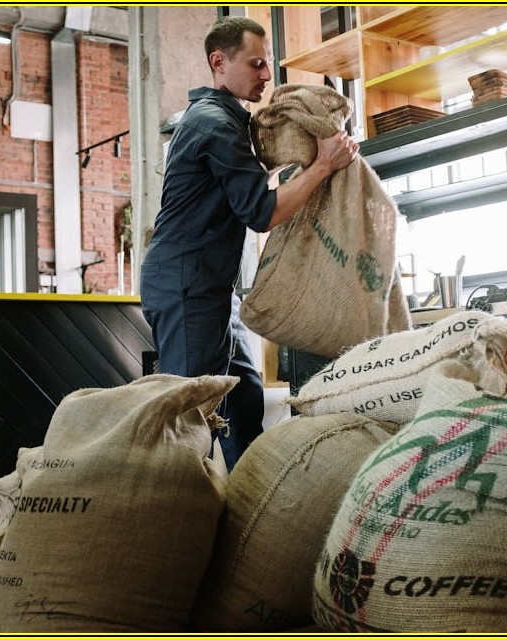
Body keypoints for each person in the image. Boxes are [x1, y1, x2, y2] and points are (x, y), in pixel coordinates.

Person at [139, 16, 359, 470]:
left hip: (212, 287)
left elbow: (249, 189)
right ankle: (176, 515)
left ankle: (246, 499)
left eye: (270, 65)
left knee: (243, 397)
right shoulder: (213, 124)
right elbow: (262, 212)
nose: (266, 76)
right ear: (219, 63)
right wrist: (322, 166)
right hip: (186, 284)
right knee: (191, 412)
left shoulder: (227, 120)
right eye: (257, 64)